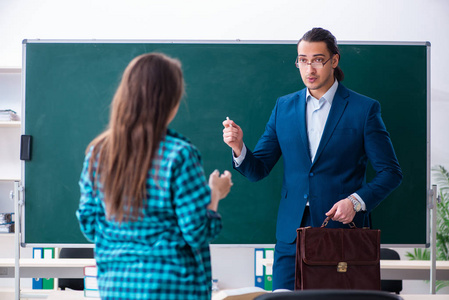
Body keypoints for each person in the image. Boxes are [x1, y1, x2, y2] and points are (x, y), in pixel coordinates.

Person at [222, 27, 402, 290]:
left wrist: (356, 201)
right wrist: (239, 147)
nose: (310, 69)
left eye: (317, 59)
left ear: (334, 61)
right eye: (302, 60)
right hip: (291, 237)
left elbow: (391, 173)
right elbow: (257, 169)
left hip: (341, 235)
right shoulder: (284, 107)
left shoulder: (364, 109)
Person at [76, 52, 233, 300]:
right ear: (170, 100)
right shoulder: (179, 155)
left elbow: (88, 223)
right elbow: (196, 230)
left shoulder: (99, 153)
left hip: (116, 287)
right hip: (172, 288)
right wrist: (215, 193)